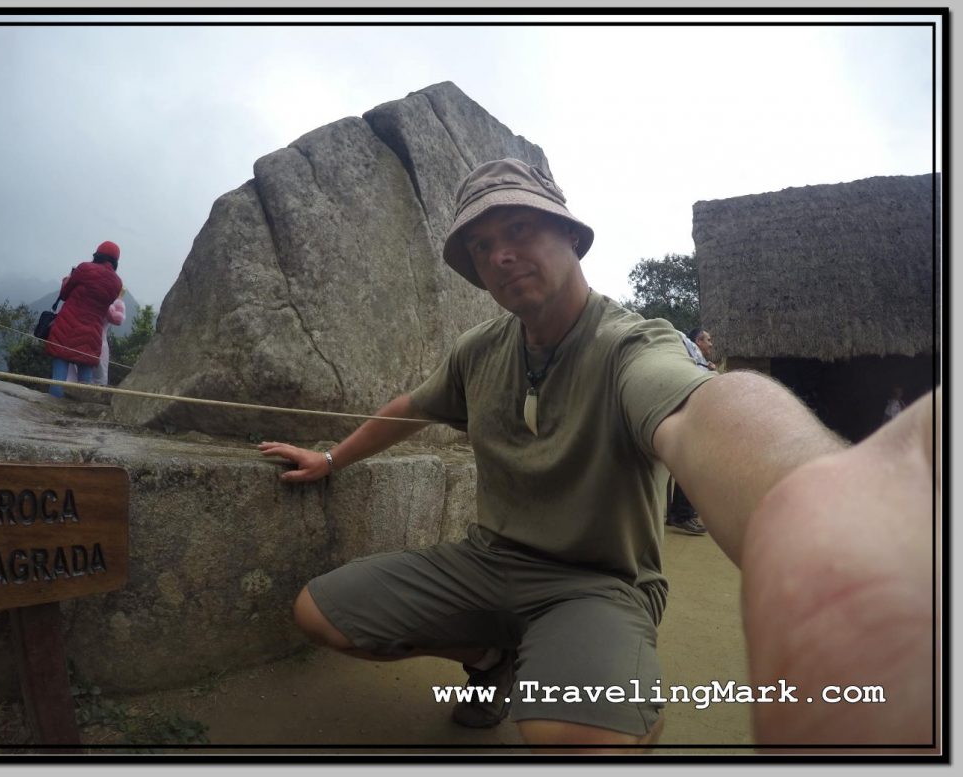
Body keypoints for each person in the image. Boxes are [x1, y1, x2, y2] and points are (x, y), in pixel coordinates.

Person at [258, 159, 935, 751]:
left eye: (519, 228)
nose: (499, 254)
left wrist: (822, 497)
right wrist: (331, 459)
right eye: (482, 243)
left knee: (573, 737)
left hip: (598, 582)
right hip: (487, 560)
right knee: (322, 613)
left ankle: (603, 697)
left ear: (570, 236)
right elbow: (411, 406)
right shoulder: (480, 351)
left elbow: (697, 412)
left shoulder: (632, 345)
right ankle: (495, 657)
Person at [45, 240, 123, 398]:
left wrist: (67, 280)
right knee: (84, 384)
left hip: (66, 328)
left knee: (59, 378)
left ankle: (51, 409)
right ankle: (80, 414)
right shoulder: (117, 283)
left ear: (97, 254)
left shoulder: (84, 268)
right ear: (115, 261)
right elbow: (105, 305)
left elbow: (65, 294)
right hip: (92, 334)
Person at [665, 326, 717, 535]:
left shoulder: (701, 362)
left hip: (695, 417)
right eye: (708, 340)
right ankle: (681, 515)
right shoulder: (691, 350)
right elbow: (676, 333)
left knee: (693, 464)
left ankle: (681, 513)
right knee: (691, 464)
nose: (711, 344)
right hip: (689, 417)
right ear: (697, 341)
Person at [66, 285, 127, 386]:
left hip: (75, 336)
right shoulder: (105, 303)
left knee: (71, 373)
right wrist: (119, 299)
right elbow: (117, 319)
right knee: (99, 378)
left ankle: (63, 396)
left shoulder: (84, 295)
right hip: (98, 342)